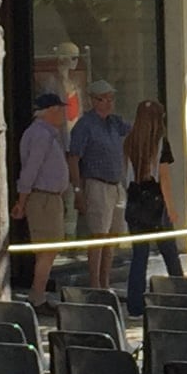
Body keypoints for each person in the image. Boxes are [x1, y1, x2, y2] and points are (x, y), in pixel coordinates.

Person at [66, 79, 130, 300]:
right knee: (98, 236)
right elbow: (74, 157)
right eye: (104, 99)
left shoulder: (115, 123)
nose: (109, 103)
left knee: (112, 237)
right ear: (93, 100)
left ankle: (105, 282)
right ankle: (94, 283)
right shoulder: (85, 125)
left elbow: (135, 132)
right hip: (96, 183)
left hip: (116, 185)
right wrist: (77, 190)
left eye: (111, 99)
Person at [120, 97, 182, 310]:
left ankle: (135, 304)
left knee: (139, 255)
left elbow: (126, 175)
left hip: (136, 200)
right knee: (170, 253)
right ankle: (182, 296)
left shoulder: (129, 141)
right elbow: (164, 178)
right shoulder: (161, 142)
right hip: (156, 201)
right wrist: (171, 208)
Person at [15, 89, 72, 296]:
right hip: (43, 199)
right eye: (59, 110)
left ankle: (38, 295)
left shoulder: (48, 134)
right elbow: (30, 170)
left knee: (50, 249)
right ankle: (37, 297)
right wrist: (22, 202)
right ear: (50, 111)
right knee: (47, 250)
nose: (62, 115)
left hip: (51, 198)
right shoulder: (40, 135)